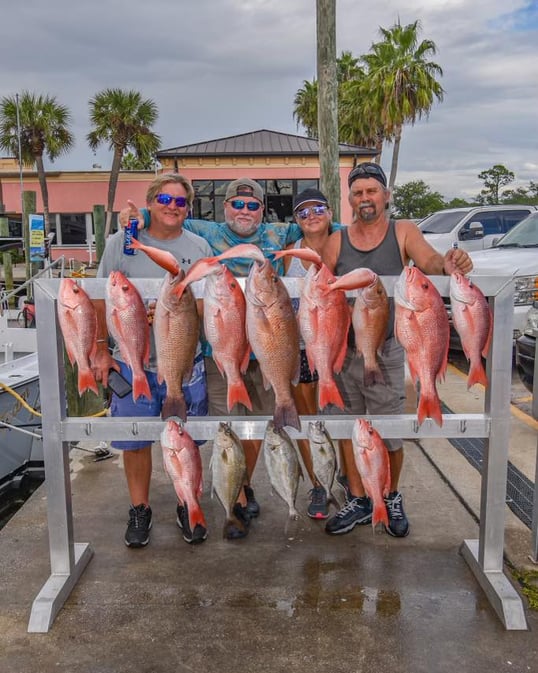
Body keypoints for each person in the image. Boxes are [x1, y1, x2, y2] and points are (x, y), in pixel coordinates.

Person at [120, 177, 304, 539]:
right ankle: (233, 502)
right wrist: (136, 215)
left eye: (253, 206)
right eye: (237, 204)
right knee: (228, 426)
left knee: (257, 428)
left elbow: (325, 223)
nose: (244, 211)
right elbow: (165, 214)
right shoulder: (205, 233)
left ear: (263, 210)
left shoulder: (280, 234)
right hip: (219, 352)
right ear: (225, 207)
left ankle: (244, 485)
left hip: (268, 349)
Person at [322, 162, 473, 538]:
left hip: (387, 349)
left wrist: (450, 263)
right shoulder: (338, 240)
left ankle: (389, 495)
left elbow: (431, 262)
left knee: (389, 432)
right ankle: (358, 498)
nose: (365, 199)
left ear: (386, 195)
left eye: (371, 191)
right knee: (349, 429)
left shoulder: (401, 231)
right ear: (350, 200)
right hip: (347, 352)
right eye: (357, 193)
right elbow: (317, 285)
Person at [92, 173, 213, 548]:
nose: (172, 207)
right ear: (150, 201)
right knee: (136, 441)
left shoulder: (199, 245)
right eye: (165, 199)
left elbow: (208, 304)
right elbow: (100, 297)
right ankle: (140, 508)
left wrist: (175, 311)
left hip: (183, 361)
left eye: (180, 202)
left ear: (187, 208)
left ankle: (186, 501)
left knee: (185, 439)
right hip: (133, 363)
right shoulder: (122, 242)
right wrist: (98, 347)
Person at [281, 188, 335, 519]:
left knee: (337, 416)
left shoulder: (343, 246)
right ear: (296, 221)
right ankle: (317, 482)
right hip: (300, 347)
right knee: (305, 417)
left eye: (317, 209)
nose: (310, 215)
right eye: (302, 212)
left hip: (333, 344)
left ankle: (344, 478)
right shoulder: (289, 253)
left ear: (330, 212)